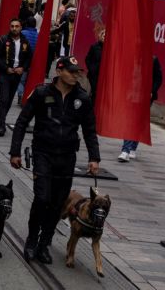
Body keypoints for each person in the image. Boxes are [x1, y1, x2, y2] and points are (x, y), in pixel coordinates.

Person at [9, 56, 100, 264]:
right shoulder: (42, 93)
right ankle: (32, 240)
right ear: (59, 71)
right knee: (42, 199)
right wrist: (15, 152)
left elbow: (89, 130)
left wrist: (94, 157)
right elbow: (22, 122)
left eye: (78, 72)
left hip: (67, 157)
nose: (76, 75)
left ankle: (44, 243)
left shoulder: (82, 98)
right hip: (43, 154)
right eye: (71, 71)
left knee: (58, 203)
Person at [118, 55, 163, 162]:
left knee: (139, 122)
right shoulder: (132, 56)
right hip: (131, 94)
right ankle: (125, 150)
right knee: (130, 121)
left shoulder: (153, 59)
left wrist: (152, 91)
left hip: (145, 96)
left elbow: (159, 78)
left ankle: (132, 147)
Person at [0, 18, 32, 136]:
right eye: (12, 26)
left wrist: (23, 68)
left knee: (9, 100)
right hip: (5, 74)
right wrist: (5, 68)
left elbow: (29, 57)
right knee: (4, 99)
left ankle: (1, 118)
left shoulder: (25, 42)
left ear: (21, 28)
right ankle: (2, 125)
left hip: (17, 75)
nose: (14, 28)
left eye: (17, 26)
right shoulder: (3, 40)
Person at [16, 17, 39, 104]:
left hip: (23, 60)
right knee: (27, 80)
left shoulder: (22, 33)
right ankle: (27, 96)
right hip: (33, 62)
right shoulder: (38, 35)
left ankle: (21, 94)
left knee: (21, 80)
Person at [85, 29, 105, 103]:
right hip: (94, 74)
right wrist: (91, 68)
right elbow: (87, 59)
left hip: (104, 74)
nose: (105, 37)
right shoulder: (94, 46)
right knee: (95, 91)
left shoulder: (111, 48)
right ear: (100, 36)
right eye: (103, 35)